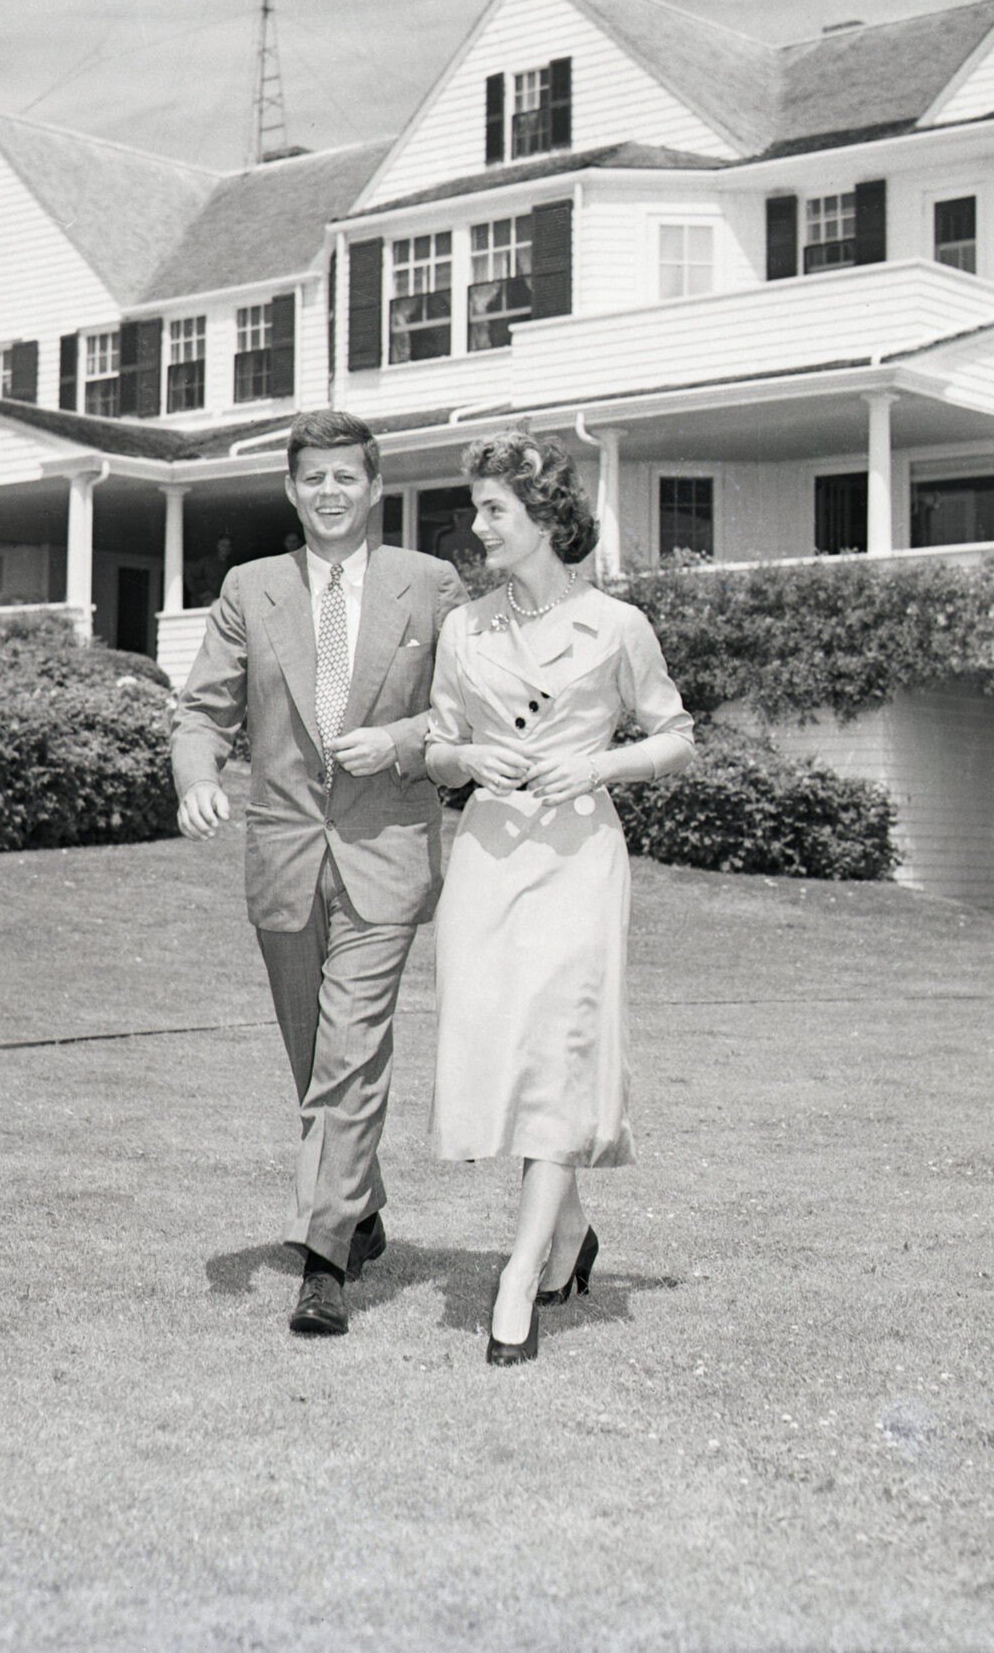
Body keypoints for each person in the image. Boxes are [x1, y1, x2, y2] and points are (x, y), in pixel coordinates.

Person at [171, 412, 467, 1338]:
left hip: (388, 851)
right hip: (285, 852)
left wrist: (404, 739)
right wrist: (194, 782)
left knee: (351, 1051)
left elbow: (467, 713)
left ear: (374, 488)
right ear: (292, 491)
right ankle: (361, 1205)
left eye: (348, 477)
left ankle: (325, 1256)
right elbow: (202, 711)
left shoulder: (429, 584)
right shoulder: (249, 589)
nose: (331, 492)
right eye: (314, 479)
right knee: (314, 1061)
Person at [423, 434, 695, 1366]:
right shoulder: (467, 629)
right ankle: (572, 1232)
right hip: (490, 857)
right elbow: (437, 745)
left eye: (495, 508)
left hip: (580, 855)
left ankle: (523, 1267)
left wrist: (599, 762)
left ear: (544, 518)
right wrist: (464, 758)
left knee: (563, 1047)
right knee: (502, 1044)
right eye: (479, 508)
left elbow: (675, 737)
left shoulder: (619, 628)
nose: (479, 525)